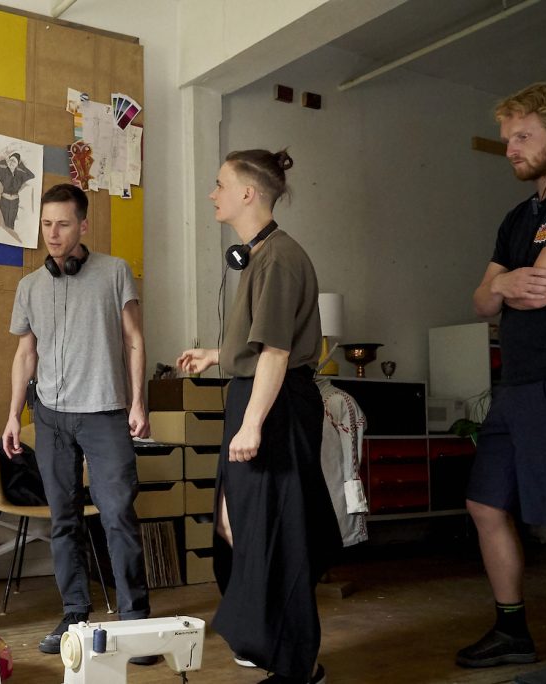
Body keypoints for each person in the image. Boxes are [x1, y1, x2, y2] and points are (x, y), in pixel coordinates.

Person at [177, 149, 340, 684]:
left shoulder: (279, 257)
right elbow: (258, 344)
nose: (212, 193)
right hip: (256, 396)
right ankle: (274, 644)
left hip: (273, 407)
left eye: (219, 184)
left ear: (248, 192)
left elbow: (275, 352)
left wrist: (251, 425)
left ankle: (297, 667)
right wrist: (216, 356)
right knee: (234, 523)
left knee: (279, 533)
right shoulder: (260, 253)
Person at [461, 81, 546, 684]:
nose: (510, 148)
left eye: (524, 136)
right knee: (485, 503)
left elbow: (542, 286)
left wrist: (507, 285)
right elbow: (483, 300)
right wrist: (505, 285)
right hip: (514, 386)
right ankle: (512, 630)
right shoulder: (518, 217)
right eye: (508, 137)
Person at [1, 183, 155, 663]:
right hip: (49, 416)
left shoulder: (114, 273)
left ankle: (136, 623)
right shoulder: (29, 286)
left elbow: (134, 340)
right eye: (46, 224)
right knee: (63, 521)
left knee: (118, 517)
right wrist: (12, 414)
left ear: (84, 225)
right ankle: (74, 614)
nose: (53, 233)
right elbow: (25, 353)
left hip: (105, 412)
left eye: (63, 224)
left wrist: (139, 403)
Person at [0, 152, 35, 230]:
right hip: (4, 201)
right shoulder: (2, 172)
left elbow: (31, 175)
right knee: (4, 224)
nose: (11, 163)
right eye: (10, 160)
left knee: (11, 224)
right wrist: (4, 161)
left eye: (14, 161)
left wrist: (22, 166)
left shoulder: (20, 175)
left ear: (17, 164)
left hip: (14, 202)